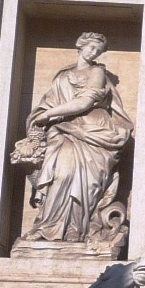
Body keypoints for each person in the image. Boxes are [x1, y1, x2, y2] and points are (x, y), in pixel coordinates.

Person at [15, 32, 134, 246]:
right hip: (62, 132)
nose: (94, 52)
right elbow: (49, 101)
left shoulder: (97, 72)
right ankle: (48, 227)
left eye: (98, 50)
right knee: (60, 176)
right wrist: (43, 115)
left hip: (92, 133)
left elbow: (84, 103)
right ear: (80, 46)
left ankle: (75, 231)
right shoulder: (63, 75)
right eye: (91, 47)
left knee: (86, 184)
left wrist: (48, 115)